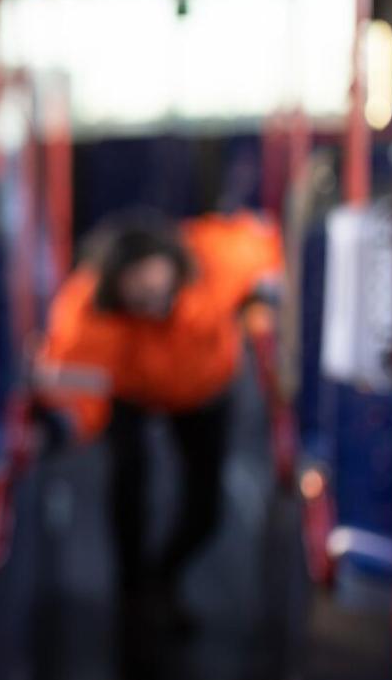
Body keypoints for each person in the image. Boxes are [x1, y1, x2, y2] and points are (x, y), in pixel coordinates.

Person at [31, 210, 281, 646]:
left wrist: (268, 294)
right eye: (137, 290)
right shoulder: (88, 308)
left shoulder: (216, 261)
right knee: (127, 485)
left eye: (154, 284)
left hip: (204, 389)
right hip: (131, 393)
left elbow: (263, 244)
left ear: (173, 266)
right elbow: (72, 380)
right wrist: (62, 428)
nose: (148, 296)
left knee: (206, 507)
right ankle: (132, 594)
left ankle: (162, 578)